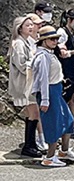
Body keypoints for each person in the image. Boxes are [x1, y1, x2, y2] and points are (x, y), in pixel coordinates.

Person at [28, 25, 74, 167]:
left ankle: (63, 150)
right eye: (51, 39)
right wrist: (45, 99)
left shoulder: (48, 53)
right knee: (53, 124)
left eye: (56, 39)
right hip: (49, 91)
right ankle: (50, 157)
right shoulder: (43, 56)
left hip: (55, 90)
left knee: (67, 119)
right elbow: (43, 79)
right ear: (43, 40)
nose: (55, 41)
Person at [9, 14, 41, 158]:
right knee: (33, 113)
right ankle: (29, 145)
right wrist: (34, 61)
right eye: (27, 25)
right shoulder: (19, 43)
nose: (30, 27)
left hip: (28, 82)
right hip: (24, 83)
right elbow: (22, 65)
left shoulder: (26, 41)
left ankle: (31, 144)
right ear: (20, 28)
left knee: (32, 113)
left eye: (31, 25)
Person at [55, 8, 74, 138]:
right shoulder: (62, 32)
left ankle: (73, 124)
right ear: (69, 20)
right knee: (64, 98)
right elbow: (62, 53)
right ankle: (63, 125)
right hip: (65, 70)